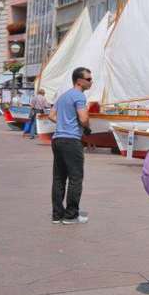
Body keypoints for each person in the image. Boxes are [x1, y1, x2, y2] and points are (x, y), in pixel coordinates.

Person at [48, 67, 92, 225]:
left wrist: (64, 123)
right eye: (88, 79)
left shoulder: (63, 96)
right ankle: (71, 215)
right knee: (75, 178)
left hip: (57, 140)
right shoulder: (79, 96)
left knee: (59, 179)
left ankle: (57, 215)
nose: (91, 82)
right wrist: (86, 125)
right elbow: (83, 119)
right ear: (79, 81)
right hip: (71, 141)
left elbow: (51, 116)